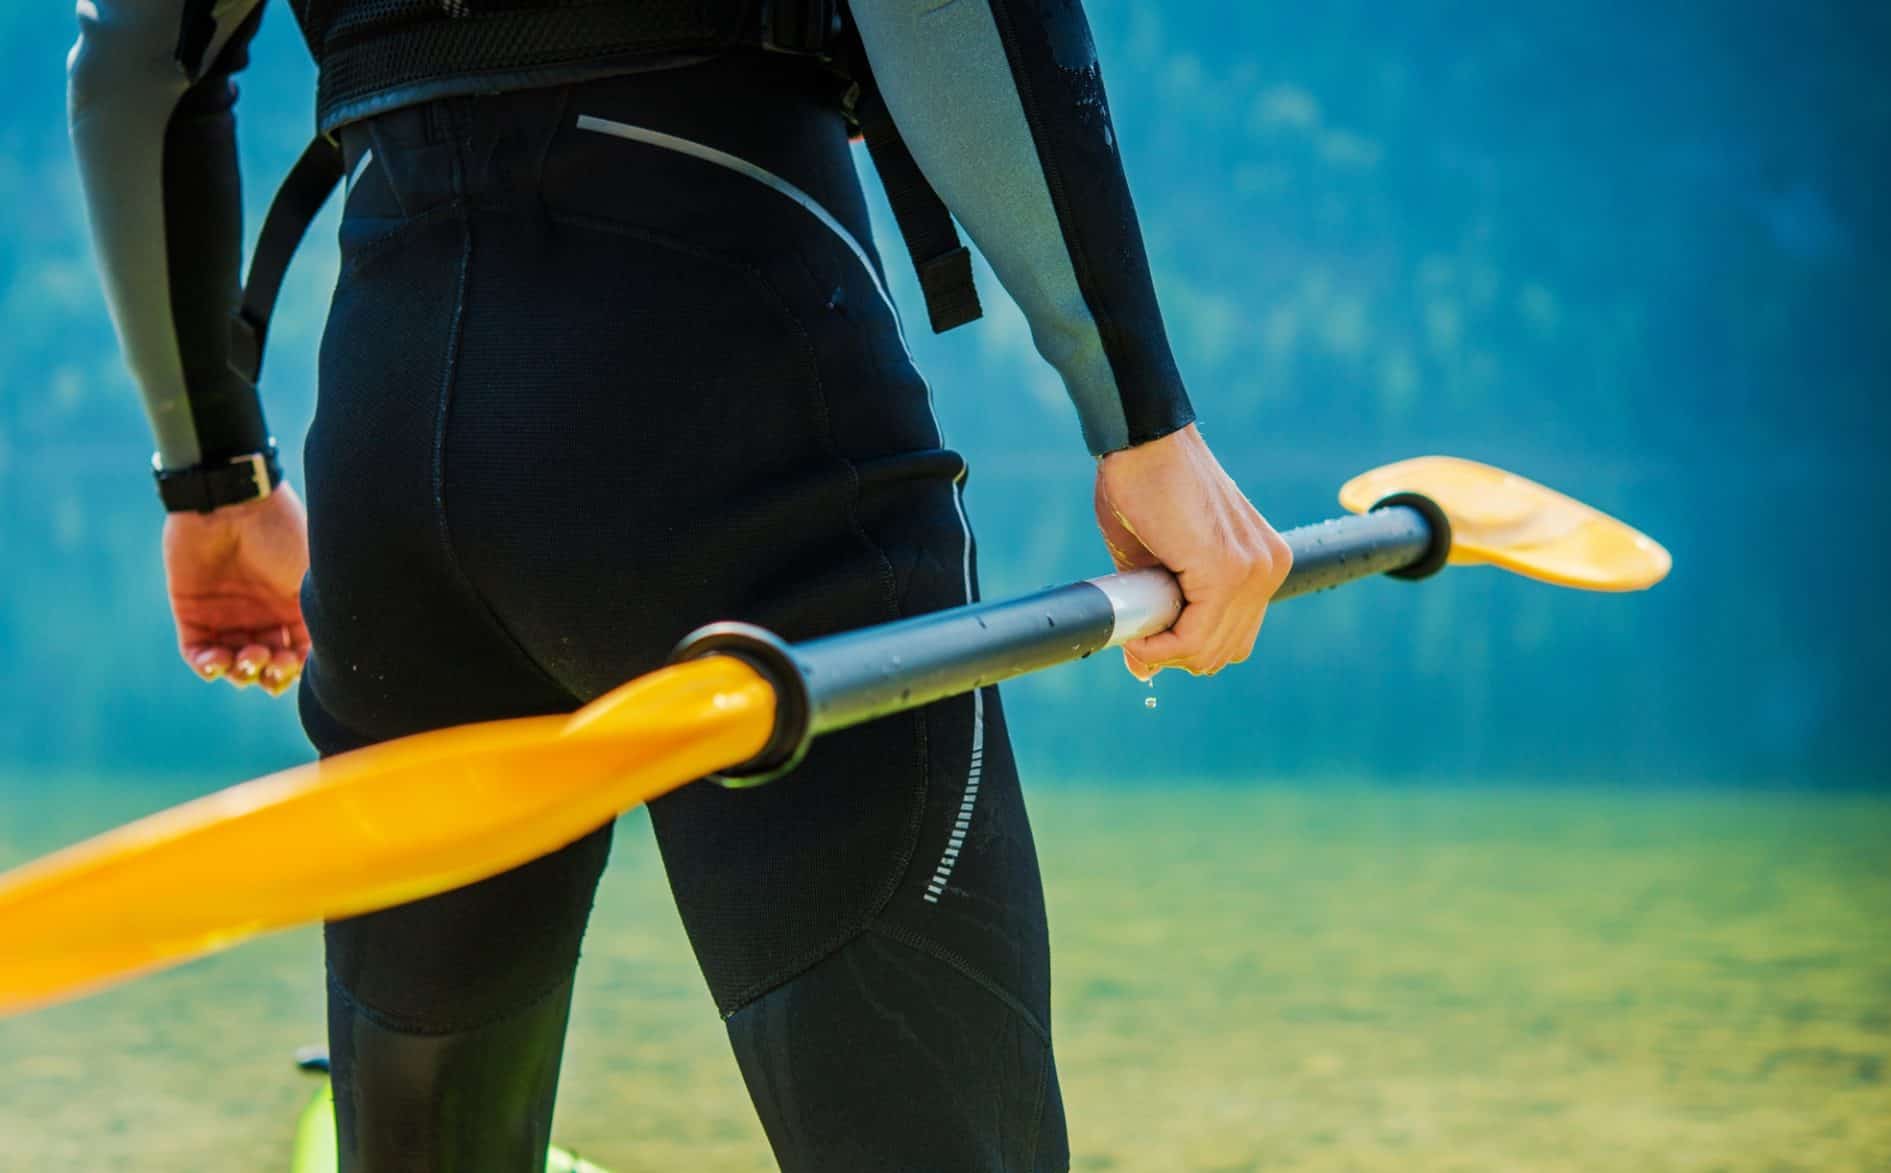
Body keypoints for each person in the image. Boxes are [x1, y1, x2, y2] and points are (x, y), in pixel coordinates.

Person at [68, 0, 1293, 1168]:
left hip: (393, 433)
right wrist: (1137, 415)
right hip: (732, 382)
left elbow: (137, 62)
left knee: (427, 1136)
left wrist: (215, 478)